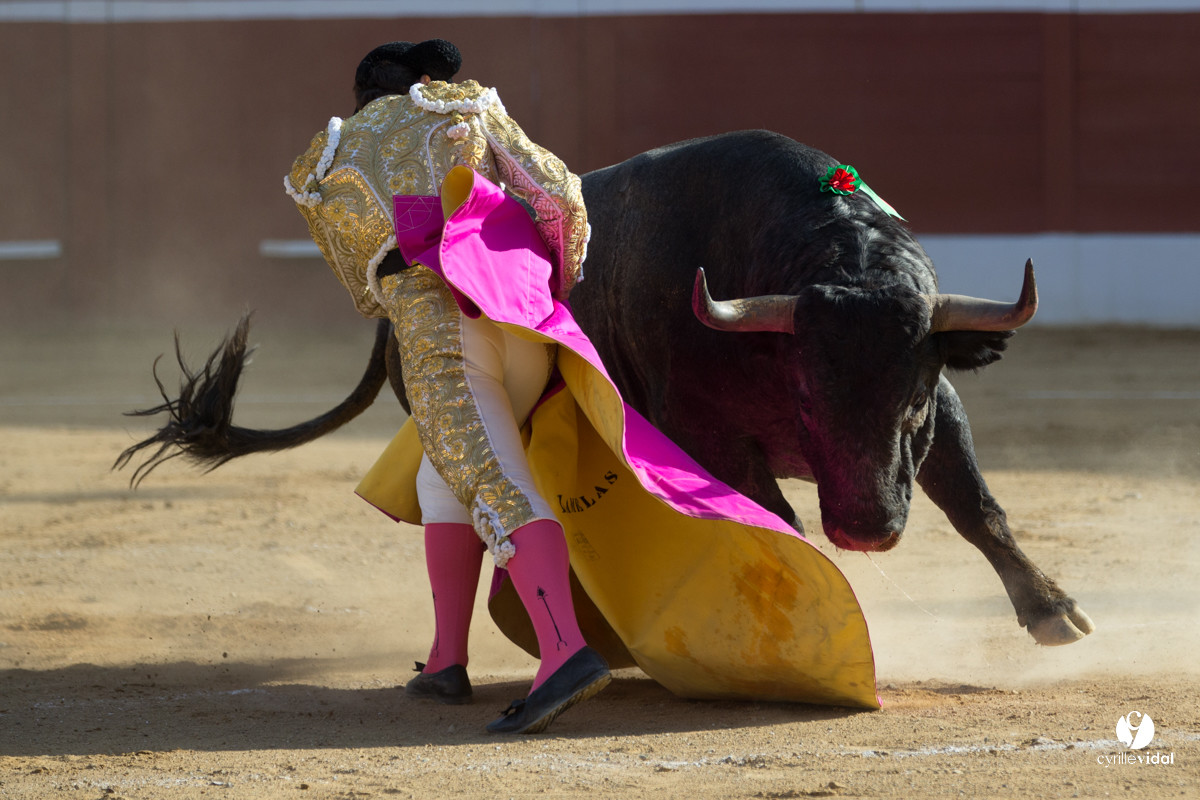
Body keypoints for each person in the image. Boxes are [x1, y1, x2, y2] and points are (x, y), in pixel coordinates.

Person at [285, 39, 605, 734]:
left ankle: (563, 650)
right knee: (441, 479)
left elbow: (365, 293)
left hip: (438, 337)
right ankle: (446, 660)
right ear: (425, 80)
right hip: (521, 320)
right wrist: (547, 283)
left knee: (488, 476)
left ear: (362, 100)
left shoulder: (327, 161)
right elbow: (559, 197)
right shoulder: (463, 108)